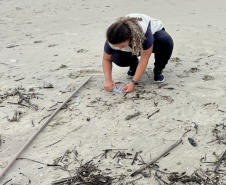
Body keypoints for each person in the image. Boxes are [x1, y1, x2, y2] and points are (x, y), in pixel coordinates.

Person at [102, 13, 173, 93]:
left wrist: (133, 82)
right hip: (131, 42)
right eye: (117, 46)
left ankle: (158, 69)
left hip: (155, 35)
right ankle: (134, 64)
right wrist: (108, 80)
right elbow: (106, 59)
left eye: (122, 46)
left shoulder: (145, 34)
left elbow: (144, 59)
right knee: (117, 57)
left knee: (165, 41)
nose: (120, 48)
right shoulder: (112, 37)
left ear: (130, 37)